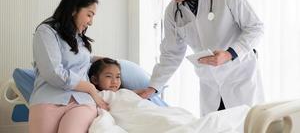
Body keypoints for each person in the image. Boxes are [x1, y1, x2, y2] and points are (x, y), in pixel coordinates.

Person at [136, 0, 265, 116]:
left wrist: (229, 54)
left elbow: (255, 27)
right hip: (210, 85)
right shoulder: (172, 12)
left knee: (246, 125)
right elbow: (171, 54)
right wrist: (153, 87)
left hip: (240, 78)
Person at [87, 57, 249, 133]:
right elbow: (101, 111)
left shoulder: (124, 91)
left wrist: (149, 90)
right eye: (109, 76)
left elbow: (140, 93)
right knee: (172, 125)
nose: (115, 81)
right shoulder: (102, 95)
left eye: (118, 77)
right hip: (142, 120)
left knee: (178, 118)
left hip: (151, 112)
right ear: (95, 79)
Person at [29, 0, 109, 133]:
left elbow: (77, 59)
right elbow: (53, 72)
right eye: (89, 15)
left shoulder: (79, 37)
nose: (91, 22)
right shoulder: (46, 32)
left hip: (81, 101)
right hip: (49, 99)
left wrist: (102, 60)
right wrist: (90, 88)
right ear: (74, 10)